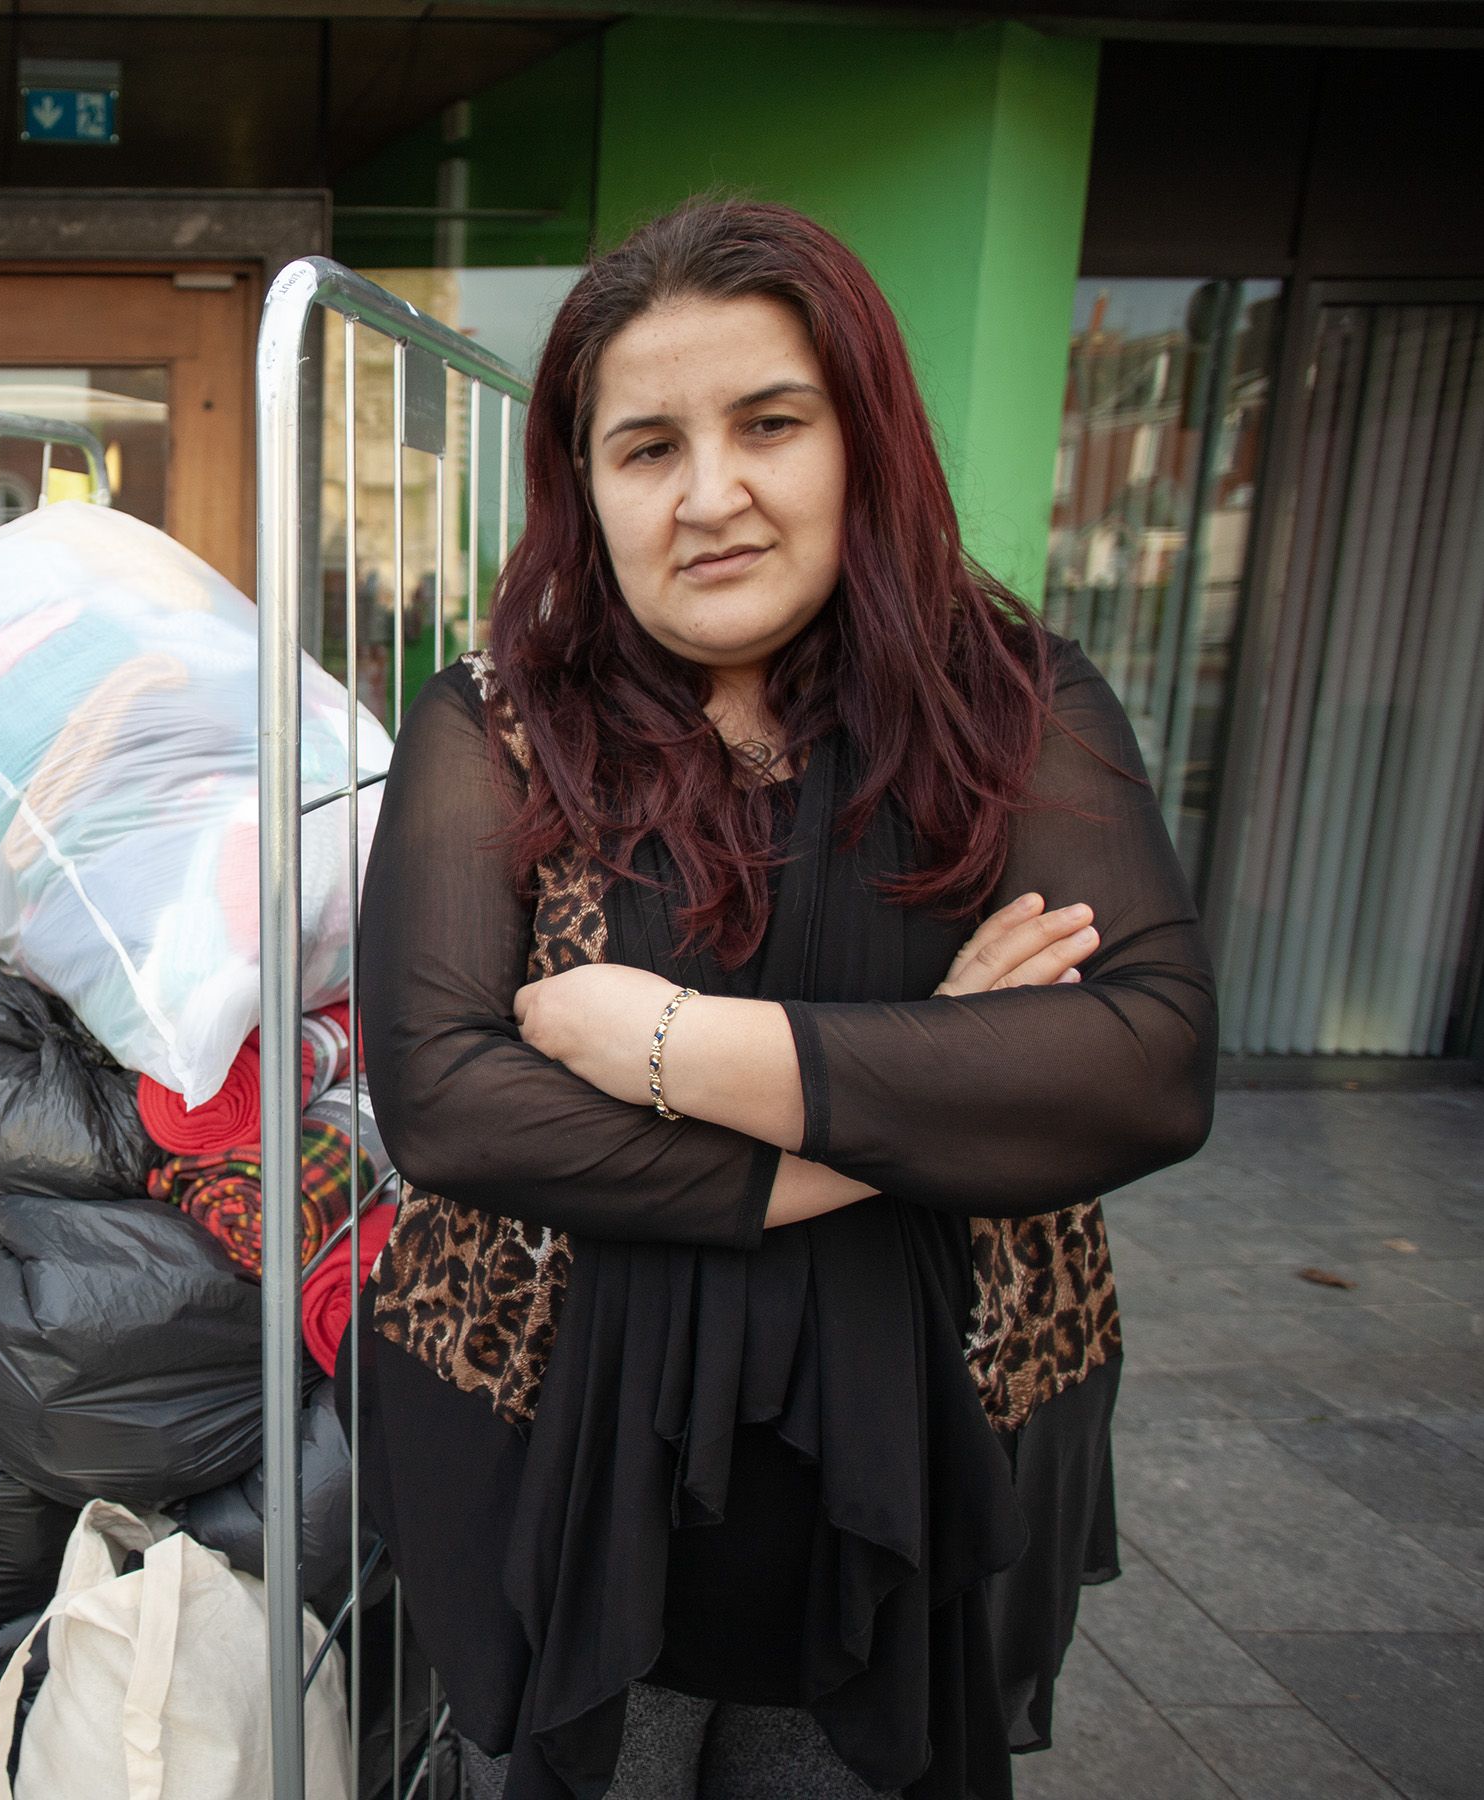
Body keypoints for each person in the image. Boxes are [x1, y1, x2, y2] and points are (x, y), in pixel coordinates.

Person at [353, 200, 1215, 1800]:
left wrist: (674, 1047)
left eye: (771, 423)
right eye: (646, 447)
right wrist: (936, 1082)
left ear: (862, 439)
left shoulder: (1013, 709)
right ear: (585, 487)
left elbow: (1145, 1065)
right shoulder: (500, 726)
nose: (712, 495)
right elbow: (449, 1102)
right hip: (561, 1466)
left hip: (921, 1467)